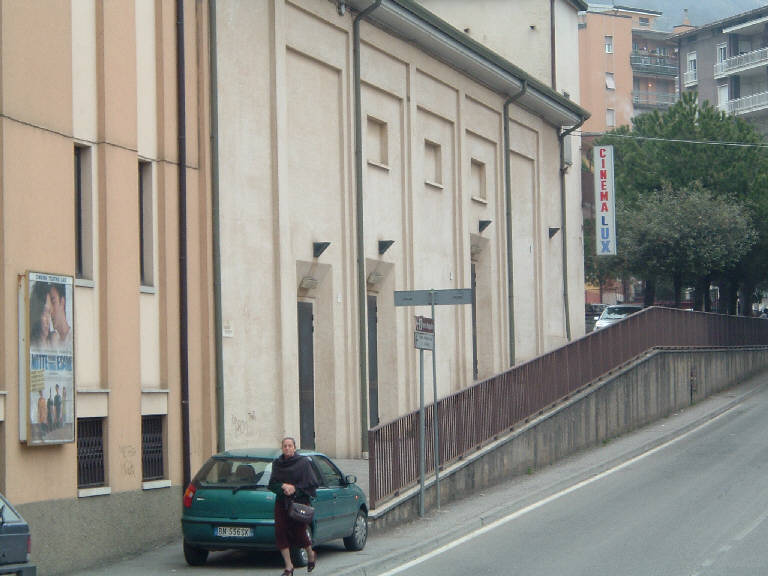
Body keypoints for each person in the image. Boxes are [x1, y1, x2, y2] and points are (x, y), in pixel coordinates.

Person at [268, 437, 320, 576]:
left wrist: (295, 489)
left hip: (299, 503)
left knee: (299, 532)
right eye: (285, 446)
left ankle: (310, 553)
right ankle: (289, 566)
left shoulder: (303, 463)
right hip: (282, 503)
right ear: (282, 448)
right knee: (280, 532)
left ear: (294, 448)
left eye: (290, 446)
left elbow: (311, 485)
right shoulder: (277, 464)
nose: (287, 448)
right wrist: (282, 486)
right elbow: (272, 484)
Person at [29, 281, 53, 349]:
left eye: (49, 312)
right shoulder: (31, 344)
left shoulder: (54, 342)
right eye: (44, 312)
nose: (48, 320)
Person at [48, 283, 72, 350]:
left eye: (53, 302)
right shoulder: (51, 341)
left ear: (62, 302)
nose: (50, 311)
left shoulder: (73, 339)